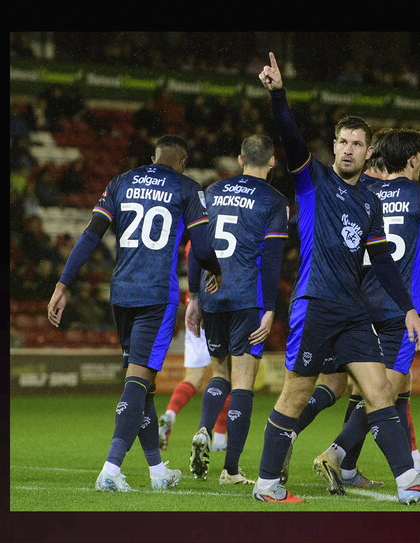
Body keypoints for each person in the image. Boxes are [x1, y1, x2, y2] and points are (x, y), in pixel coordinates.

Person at [251, 52, 420, 504]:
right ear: (335, 145)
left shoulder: (371, 202)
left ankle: (408, 483)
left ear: (367, 153)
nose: (346, 148)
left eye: (355, 144)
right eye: (341, 141)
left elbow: (382, 262)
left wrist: (408, 311)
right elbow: (289, 137)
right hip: (315, 303)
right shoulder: (312, 180)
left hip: (353, 311)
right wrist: (278, 95)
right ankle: (267, 484)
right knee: (297, 394)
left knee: (380, 389)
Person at [47, 135, 223, 493]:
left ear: (153, 156)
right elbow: (202, 247)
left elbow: (90, 235)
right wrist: (216, 270)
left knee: (143, 385)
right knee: (139, 379)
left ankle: (157, 472)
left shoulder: (121, 182)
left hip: (122, 293)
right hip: (156, 297)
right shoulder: (187, 188)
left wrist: (62, 284)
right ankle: (110, 469)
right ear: (183, 160)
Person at [316, 127, 420, 490]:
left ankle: (362, 467)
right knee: (385, 390)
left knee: (369, 388)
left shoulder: (365, 191)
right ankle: (335, 455)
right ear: (412, 159)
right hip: (395, 308)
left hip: (356, 304)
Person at [184, 134, 289, 485]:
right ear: (271, 162)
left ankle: (202, 429)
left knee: (219, 373)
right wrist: (271, 308)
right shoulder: (275, 200)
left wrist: (195, 297)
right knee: (244, 382)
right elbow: (273, 258)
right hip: (249, 295)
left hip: (213, 293)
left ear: (240, 159)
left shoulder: (211, 192)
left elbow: (196, 247)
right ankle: (230, 469)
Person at [158, 240, 232, 454]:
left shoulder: (193, 240)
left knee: (193, 377)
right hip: (218, 307)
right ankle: (219, 437)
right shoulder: (221, 231)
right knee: (225, 374)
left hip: (194, 306)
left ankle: (170, 414)